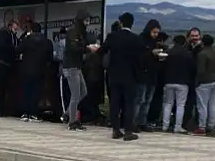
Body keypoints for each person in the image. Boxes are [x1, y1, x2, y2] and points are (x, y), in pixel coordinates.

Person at [99, 12, 142, 140]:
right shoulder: (136, 39)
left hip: (114, 75)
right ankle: (128, 131)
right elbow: (141, 57)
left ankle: (115, 130)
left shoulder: (112, 36)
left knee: (115, 103)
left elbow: (102, 50)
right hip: (130, 76)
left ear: (121, 23)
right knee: (129, 104)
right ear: (132, 24)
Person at [64, 10, 97, 131]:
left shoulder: (81, 33)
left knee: (83, 92)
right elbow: (74, 47)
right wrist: (87, 49)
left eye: (88, 21)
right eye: (86, 21)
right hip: (71, 66)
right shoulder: (73, 32)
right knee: (76, 94)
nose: (87, 23)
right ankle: (72, 122)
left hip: (76, 66)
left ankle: (67, 114)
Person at [16, 22, 53, 122]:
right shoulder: (47, 42)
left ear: (31, 30)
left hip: (26, 70)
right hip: (40, 71)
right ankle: (33, 113)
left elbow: (18, 50)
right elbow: (50, 57)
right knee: (36, 93)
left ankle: (24, 113)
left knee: (26, 91)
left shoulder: (27, 40)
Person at [161, 35, 194, 133]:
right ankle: (177, 127)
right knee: (180, 105)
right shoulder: (188, 54)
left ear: (174, 42)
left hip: (169, 81)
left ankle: (165, 126)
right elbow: (192, 69)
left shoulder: (168, 53)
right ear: (184, 43)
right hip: (183, 82)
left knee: (168, 104)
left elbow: (163, 67)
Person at [135, 19, 162, 132]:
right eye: (154, 32)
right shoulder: (141, 41)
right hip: (142, 75)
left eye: (157, 33)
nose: (155, 35)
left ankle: (142, 122)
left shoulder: (155, 42)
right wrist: (151, 53)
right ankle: (134, 122)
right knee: (139, 100)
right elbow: (138, 58)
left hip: (152, 76)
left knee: (147, 101)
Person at [0, 19, 19, 117]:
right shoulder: (4, 34)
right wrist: (13, 50)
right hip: (1, 63)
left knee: (2, 87)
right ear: (10, 26)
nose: (16, 30)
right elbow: (5, 47)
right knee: (0, 87)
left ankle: (0, 109)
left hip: (5, 64)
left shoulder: (11, 35)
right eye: (15, 28)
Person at [194, 34, 215, 135]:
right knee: (212, 104)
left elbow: (201, 71)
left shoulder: (202, 54)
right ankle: (211, 125)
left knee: (202, 105)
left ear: (203, 42)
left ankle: (201, 127)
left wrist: (197, 82)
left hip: (205, 82)